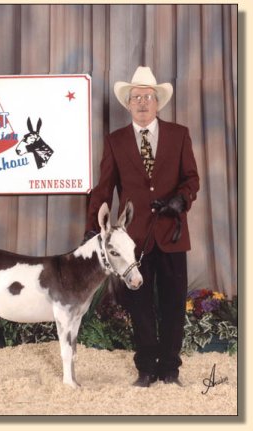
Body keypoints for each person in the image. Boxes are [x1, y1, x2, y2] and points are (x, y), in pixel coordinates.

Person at [85, 66, 199, 387]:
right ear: (128, 103)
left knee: (173, 303)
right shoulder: (116, 141)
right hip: (132, 242)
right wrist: (93, 227)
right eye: (136, 97)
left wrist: (181, 199)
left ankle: (170, 368)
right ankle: (146, 367)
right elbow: (104, 188)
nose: (142, 103)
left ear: (158, 101)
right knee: (140, 304)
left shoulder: (179, 135)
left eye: (148, 97)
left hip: (172, 236)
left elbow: (192, 178)